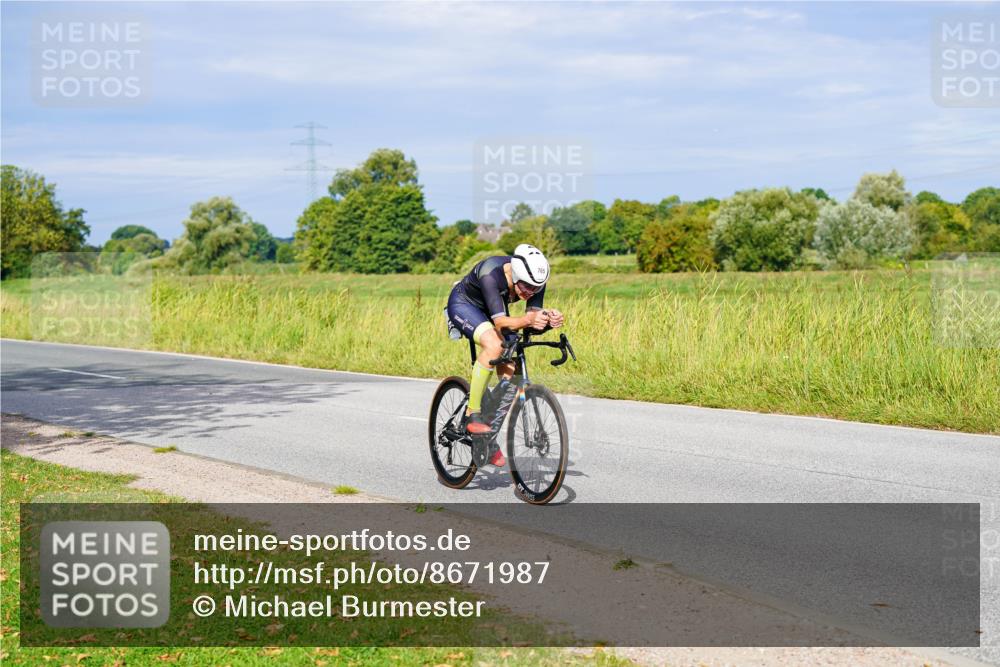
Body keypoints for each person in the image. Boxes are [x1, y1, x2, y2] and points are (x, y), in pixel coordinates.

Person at [446, 244, 565, 466]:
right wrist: (529, 320)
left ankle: (487, 440)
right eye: (527, 287)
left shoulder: (534, 281)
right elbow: (500, 324)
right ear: (516, 274)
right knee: (494, 345)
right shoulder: (491, 272)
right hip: (465, 305)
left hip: (493, 310)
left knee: (513, 376)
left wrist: (548, 320)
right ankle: (473, 413)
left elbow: (531, 319)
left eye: (536, 289)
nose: (531, 293)